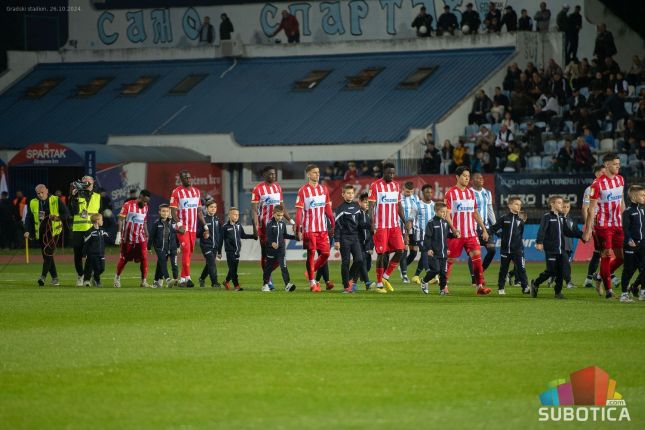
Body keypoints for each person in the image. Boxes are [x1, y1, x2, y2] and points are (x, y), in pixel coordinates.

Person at [582, 153, 625, 299]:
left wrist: (623, 217)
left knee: (621, 257)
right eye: (615, 164)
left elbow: (621, 201)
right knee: (606, 255)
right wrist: (588, 229)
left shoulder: (620, 179)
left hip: (618, 224)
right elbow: (591, 208)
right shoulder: (597, 184)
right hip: (603, 225)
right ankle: (609, 291)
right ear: (607, 165)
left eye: (619, 164)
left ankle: (600, 276)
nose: (618, 166)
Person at [444, 166, 490, 295]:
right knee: (450, 260)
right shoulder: (450, 193)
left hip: (471, 233)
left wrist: (484, 229)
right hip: (456, 234)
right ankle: (444, 284)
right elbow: (446, 214)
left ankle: (479, 286)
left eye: (468, 176)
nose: (467, 178)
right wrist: (453, 229)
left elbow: (475, 213)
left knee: (477, 258)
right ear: (457, 177)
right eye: (464, 176)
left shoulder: (471, 193)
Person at [531, 196, 583, 299]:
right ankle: (535, 283)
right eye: (559, 203)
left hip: (561, 249)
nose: (562, 205)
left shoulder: (562, 217)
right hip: (551, 249)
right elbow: (542, 230)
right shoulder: (547, 217)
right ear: (552, 204)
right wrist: (539, 242)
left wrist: (582, 235)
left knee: (561, 270)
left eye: (562, 203)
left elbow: (568, 231)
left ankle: (558, 292)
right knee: (551, 271)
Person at [368, 163, 408, 294]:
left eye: (393, 173)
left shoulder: (396, 185)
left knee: (401, 250)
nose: (391, 175)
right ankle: (379, 283)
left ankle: (386, 276)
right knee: (381, 254)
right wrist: (372, 223)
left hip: (394, 225)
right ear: (383, 172)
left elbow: (398, 205)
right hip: (381, 226)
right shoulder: (375, 186)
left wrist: (404, 220)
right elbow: (371, 206)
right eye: (389, 173)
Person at [251, 166, 293, 291]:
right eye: (270, 174)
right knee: (266, 255)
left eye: (274, 174)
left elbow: (282, 206)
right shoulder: (258, 189)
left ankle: (267, 276)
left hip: (279, 227)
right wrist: (255, 226)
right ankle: (267, 281)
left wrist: (291, 220)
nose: (273, 176)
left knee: (279, 255)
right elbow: (254, 209)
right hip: (265, 227)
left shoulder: (277, 187)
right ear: (264, 175)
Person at [295, 164, 335, 292]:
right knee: (311, 254)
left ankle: (310, 272)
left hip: (322, 229)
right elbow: (299, 212)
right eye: (314, 172)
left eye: (318, 172)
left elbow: (327, 208)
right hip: (309, 229)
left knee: (326, 253)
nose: (317, 174)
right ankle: (312, 283)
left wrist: (332, 222)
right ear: (308, 174)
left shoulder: (324, 189)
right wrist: (298, 228)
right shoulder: (303, 191)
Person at [24, 184, 69, 287]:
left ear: (47, 191)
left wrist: (57, 218)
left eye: (42, 192)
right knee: (47, 255)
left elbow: (66, 214)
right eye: (38, 193)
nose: (40, 195)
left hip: (54, 231)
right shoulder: (32, 202)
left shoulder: (55, 199)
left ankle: (43, 277)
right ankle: (55, 278)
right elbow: (28, 218)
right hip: (40, 232)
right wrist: (27, 230)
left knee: (48, 253)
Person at [170, 170, 207, 288]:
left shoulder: (196, 192)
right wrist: (179, 224)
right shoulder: (176, 192)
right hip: (182, 228)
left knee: (189, 253)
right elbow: (173, 211)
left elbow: (199, 211)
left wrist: (205, 226)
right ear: (181, 179)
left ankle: (183, 279)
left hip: (193, 228)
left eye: (189, 177)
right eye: (185, 178)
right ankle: (187, 278)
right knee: (186, 251)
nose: (188, 179)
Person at [488, 197, 529, 295]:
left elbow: (520, 235)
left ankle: (525, 288)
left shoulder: (521, 220)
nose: (518, 206)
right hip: (505, 250)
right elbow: (493, 229)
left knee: (521, 269)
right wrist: (486, 234)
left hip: (517, 250)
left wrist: (520, 248)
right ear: (510, 205)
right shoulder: (504, 218)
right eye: (516, 204)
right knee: (503, 270)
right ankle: (501, 288)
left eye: (519, 204)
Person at [69, 175, 102, 287]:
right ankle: (80, 275)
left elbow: (99, 212)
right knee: (78, 254)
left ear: (93, 183)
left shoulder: (97, 196)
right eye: (85, 182)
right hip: (79, 229)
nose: (87, 183)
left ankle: (87, 277)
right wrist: (73, 197)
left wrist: (99, 226)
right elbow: (72, 210)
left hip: (91, 229)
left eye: (89, 181)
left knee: (91, 254)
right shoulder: (77, 193)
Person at [114, 190, 151, 289]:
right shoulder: (128, 205)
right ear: (140, 196)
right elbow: (121, 219)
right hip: (128, 236)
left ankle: (143, 281)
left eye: (147, 202)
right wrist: (118, 234)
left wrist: (147, 233)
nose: (145, 203)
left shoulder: (146, 207)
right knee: (125, 259)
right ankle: (117, 278)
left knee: (144, 257)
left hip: (141, 237)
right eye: (144, 201)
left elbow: (145, 221)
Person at [334, 185, 364, 293]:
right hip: (344, 238)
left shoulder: (356, 207)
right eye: (348, 193)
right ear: (343, 194)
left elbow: (360, 223)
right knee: (345, 262)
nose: (350, 195)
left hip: (355, 237)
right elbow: (337, 226)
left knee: (359, 260)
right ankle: (346, 287)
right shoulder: (340, 209)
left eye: (352, 193)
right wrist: (336, 240)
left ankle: (348, 280)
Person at [468, 173, 496, 286]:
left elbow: (490, 210)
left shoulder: (487, 193)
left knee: (492, 250)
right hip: (472, 228)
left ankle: (480, 272)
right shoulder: (468, 192)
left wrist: (495, 225)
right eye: (478, 178)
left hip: (486, 228)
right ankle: (474, 278)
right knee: (474, 253)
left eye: (482, 178)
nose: (481, 180)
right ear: (472, 180)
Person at [218, 207, 256, 291]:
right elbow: (220, 240)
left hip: (237, 251)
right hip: (229, 251)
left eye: (237, 215)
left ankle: (226, 281)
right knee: (233, 269)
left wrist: (253, 236)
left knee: (232, 269)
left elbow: (244, 235)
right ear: (229, 215)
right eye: (234, 214)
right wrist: (219, 252)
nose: (236, 216)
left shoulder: (239, 225)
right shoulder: (225, 227)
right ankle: (236, 286)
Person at [420, 202, 454, 295]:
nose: (444, 214)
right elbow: (427, 237)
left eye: (445, 212)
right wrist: (429, 249)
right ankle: (424, 281)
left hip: (443, 252)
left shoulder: (445, 223)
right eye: (442, 212)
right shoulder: (431, 223)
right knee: (436, 270)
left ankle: (442, 290)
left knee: (443, 272)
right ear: (436, 211)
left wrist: (454, 234)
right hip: (434, 252)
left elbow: (447, 236)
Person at [262, 205, 296, 292]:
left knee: (284, 266)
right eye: (278, 215)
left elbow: (285, 235)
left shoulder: (282, 224)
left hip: (281, 249)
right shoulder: (269, 224)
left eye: (281, 215)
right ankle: (265, 284)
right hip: (271, 250)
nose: (280, 217)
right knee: (268, 267)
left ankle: (287, 285)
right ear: (273, 214)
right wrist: (272, 243)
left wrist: (295, 237)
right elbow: (267, 237)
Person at [620, 185, 645, 302]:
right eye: (642, 195)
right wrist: (629, 239)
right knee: (628, 270)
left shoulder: (642, 211)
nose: (644, 197)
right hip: (631, 245)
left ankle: (642, 292)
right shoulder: (628, 212)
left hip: (643, 245)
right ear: (634, 196)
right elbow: (626, 228)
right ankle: (624, 294)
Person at [147, 204, 179, 289]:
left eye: (167, 211)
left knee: (162, 264)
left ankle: (156, 282)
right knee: (163, 262)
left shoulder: (173, 222)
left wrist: (178, 246)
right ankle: (168, 280)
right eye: (163, 211)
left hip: (171, 248)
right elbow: (151, 236)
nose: (165, 213)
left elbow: (175, 235)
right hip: (160, 248)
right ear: (159, 212)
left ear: (169, 212)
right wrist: (149, 247)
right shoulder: (156, 223)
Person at [411, 184, 435, 285]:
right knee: (425, 252)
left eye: (430, 192)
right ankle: (429, 274)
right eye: (427, 192)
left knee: (427, 255)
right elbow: (410, 219)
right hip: (420, 234)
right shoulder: (417, 204)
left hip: (431, 235)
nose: (429, 194)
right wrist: (408, 233)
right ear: (422, 193)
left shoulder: (434, 205)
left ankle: (416, 275)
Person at [197, 199, 222, 289]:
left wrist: (219, 250)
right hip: (206, 246)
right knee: (212, 263)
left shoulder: (217, 219)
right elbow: (197, 233)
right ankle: (214, 283)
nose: (213, 209)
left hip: (215, 246)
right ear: (207, 209)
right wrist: (203, 233)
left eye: (215, 207)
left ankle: (202, 278)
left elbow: (220, 234)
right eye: (211, 207)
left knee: (209, 264)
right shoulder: (203, 219)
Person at [352, 192, 374, 290]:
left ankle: (354, 282)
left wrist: (370, 246)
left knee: (367, 265)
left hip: (367, 244)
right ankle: (367, 282)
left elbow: (371, 233)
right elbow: (359, 225)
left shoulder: (369, 215)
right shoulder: (357, 213)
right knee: (362, 262)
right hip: (358, 242)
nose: (367, 205)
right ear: (360, 202)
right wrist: (371, 226)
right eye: (365, 202)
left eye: (368, 203)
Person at [399, 181, 419, 283]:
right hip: (401, 227)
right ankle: (404, 275)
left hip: (414, 227)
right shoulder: (398, 198)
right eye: (407, 191)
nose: (409, 193)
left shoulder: (415, 198)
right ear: (403, 189)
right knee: (404, 249)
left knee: (414, 252)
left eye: (411, 191)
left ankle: (402, 266)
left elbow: (418, 211)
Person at [82, 214, 108, 288]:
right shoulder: (90, 232)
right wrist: (84, 255)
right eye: (101, 219)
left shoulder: (102, 231)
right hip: (92, 254)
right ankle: (89, 281)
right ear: (97, 221)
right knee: (89, 268)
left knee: (101, 268)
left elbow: (108, 238)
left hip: (101, 254)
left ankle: (95, 278)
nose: (102, 221)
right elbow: (86, 244)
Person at [561, 199, 579, 289]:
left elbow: (576, 231)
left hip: (569, 246)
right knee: (566, 264)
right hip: (560, 246)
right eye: (564, 207)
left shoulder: (572, 219)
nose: (566, 209)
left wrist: (583, 235)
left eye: (567, 207)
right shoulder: (558, 218)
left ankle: (553, 277)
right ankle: (568, 282)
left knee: (565, 264)